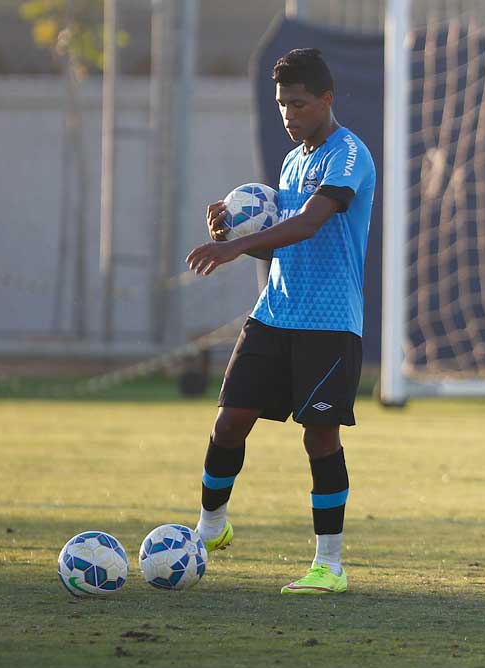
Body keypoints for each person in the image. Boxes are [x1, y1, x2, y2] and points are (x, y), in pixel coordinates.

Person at [185, 48, 376, 596]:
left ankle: (329, 566)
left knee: (320, 437)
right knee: (228, 422)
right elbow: (281, 251)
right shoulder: (292, 162)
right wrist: (231, 239)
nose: (288, 115)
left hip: (329, 323)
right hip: (273, 314)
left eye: (297, 103)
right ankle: (211, 528)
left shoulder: (348, 156)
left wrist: (233, 248)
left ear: (326, 99)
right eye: (280, 105)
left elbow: (313, 223)